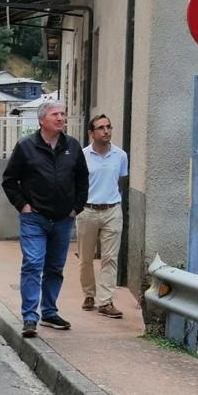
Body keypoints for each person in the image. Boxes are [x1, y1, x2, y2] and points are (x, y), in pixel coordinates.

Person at [1, 100, 89, 338]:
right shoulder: (25, 146)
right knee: (32, 263)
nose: (61, 118)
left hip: (63, 219)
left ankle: (49, 312)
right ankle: (30, 317)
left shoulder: (72, 146)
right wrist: (23, 205)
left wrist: (76, 208)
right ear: (42, 120)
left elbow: (82, 179)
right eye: (55, 115)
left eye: (63, 114)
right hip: (34, 219)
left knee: (55, 268)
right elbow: (9, 180)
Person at [77, 113, 129, 319]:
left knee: (110, 257)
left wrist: (113, 199)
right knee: (86, 258)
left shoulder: (120, 155)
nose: (106, 131)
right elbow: (77, 183)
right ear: (91, 133)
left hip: (112, 210)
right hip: (87, 210)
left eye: (108, 127)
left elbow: (121, 181)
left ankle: (106, 301)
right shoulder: (82, 156)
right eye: (101, 128)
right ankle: (89, 294)